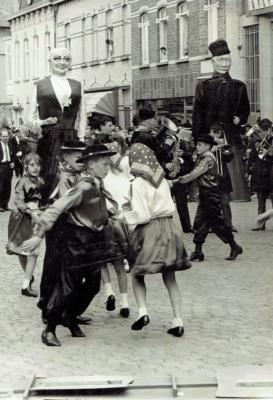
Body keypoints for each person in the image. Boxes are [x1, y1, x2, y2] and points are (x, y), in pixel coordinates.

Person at [20, 144, 118, 347]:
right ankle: (50, 329)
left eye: (109, 163)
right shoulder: (82, 187)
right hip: (77, 240)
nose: (108, 167)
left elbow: (99, 207)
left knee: (92, 285)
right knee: (68, 285)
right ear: (90, 166)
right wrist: (39, 235)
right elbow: (56, 208)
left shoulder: (97, 184)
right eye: (104, 164)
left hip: (95, 239)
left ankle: (70, 315)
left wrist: (113, 214)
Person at [122, 143, 191, 337]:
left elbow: (142, 216)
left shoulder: (136, 184)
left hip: (149, 230)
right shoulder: (162, 181)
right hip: (169, 228)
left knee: (137, 273)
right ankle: (178, 320)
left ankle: (143, 311)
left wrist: (125, 215)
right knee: (170, 276)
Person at [37, 140, 91, 326]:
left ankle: (69, 310)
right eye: (77, 155)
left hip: (74, 227)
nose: (81, 159)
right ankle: (46, 307)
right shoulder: (56, 176)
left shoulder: (81, 175)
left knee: (73, 270)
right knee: (53, 265)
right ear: (65, 156)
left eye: (83, 156)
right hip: (58, 227)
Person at [192, 39, 250, 201]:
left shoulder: (239, 86)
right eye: (221, 60)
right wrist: (199, 142)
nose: (225, 64)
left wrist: (240, 117)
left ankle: (227, 221)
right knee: (210, 185)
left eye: (228, 60)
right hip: (209, 141)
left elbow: (245, 109)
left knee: (231, 188)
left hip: (230, 139)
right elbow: (197, 116)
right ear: (213, 62)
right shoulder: (203, 86)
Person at [28, 47, 86, 203]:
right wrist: (43, 122)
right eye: (57, 58)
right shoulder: (40, 85)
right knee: (49, 175)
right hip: (48, 139)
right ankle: (48, 210)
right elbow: (30, 118)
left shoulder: (77, 85)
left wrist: (81, 138)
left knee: (71, 175)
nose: (62, 62)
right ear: (50, 61)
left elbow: (81, 115)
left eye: (66, 59)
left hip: (70, 138)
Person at [175, 135, 243, 262]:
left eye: (200, 144)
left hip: (210, 195)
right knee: (200, 223)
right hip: (206, 194)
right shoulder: (204, 157)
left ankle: (234, 246)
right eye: (197, 144)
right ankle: (198, 251)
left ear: (207, 146)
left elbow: (195, 173)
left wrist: (177, 181)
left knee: (217, 223)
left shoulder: (207, 159)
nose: (197, 146)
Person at [6, 153, 44, 297]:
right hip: (22, 218)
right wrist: (31, 212)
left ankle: (25, 285)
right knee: (21, 250)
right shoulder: (22, 182)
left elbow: (44, 199)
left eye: (38, 165)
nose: (36, 168)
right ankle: (28, 275)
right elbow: (19, 202)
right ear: (26, 166)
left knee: (33, 252)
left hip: (36, 218)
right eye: (32, 165)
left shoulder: (41, 181)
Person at [102, 140, 131, 318]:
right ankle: (125, 303)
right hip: (121, 222)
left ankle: (109, 292)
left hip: (105, 222)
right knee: (120, 265)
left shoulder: (102, 179)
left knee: (102, 263)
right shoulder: (125, 178)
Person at [210, 123, 237, 232]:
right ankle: (212, 226)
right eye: (215, 133)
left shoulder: (223, 143)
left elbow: (229, 158)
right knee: (211, 203)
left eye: (220, 134)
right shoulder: (206, 142)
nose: (217, 136)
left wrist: (223, 149)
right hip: (211, 176)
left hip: (223, 176)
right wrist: (211, 149)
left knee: (225, 202)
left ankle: (228, 224)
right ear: (211, 132)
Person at [246, 118, 273, 231]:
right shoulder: (255, 140)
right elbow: (252, 156)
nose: (264, 132)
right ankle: (260, 223)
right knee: (260, 200)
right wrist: (248, 170)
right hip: (259, 171)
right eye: (262, 130)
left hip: (271, 170)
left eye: (266, 130)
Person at [0, 129, 15, 212]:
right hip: (1, 167)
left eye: (6, 136)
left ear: (9, 137)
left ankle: (5, 205)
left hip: (9, 167)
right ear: (0, 137)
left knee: (8, 187)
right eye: (3, 136)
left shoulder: (10, 145)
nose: (5, 138)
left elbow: (14, 156)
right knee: (0, 186)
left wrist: (13, 162)